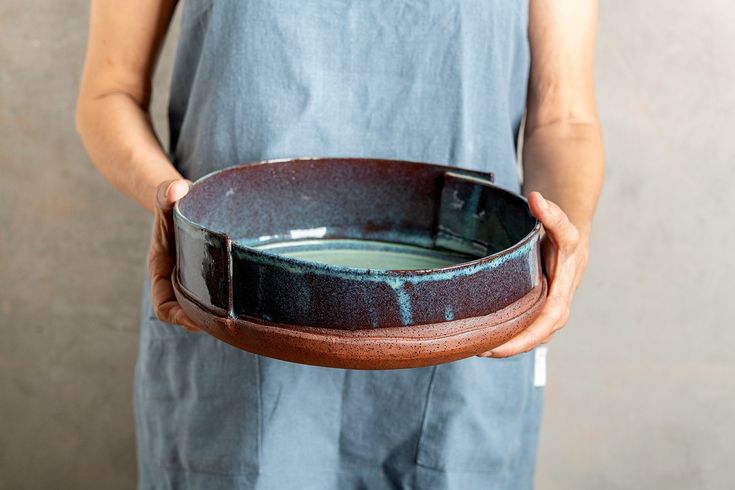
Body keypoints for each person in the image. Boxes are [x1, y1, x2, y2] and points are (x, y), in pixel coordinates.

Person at [76, 0, 604, 488]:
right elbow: (109, 92)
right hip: (233, 321)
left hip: (465, 334)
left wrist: (566, 240)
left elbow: (564, 119)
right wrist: (171, 202)